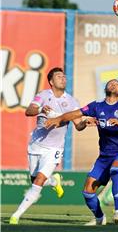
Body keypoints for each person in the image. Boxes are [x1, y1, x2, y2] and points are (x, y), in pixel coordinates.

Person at [44, 79, 118, 225]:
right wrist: (59, 118)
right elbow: (75, 114)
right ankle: (100, 218)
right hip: (104, 156)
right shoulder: (96, 106)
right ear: (105, 88)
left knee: (114, 170)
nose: (114, 85)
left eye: (117, 84)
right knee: (87, 191)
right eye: (111, 83)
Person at [9, 67, 89, 225]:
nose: (63, 78)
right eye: (59, 76)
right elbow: (29, 111)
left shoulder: (72, 101)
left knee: (38, 181)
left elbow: (79, 126)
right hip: (36, 144)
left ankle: (16, 215)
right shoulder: (43, 95)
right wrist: (40, 109)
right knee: (34, 178)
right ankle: (54, 181)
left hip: (55, 148)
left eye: (64, 76)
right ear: (51, 81)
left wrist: (86, 123)